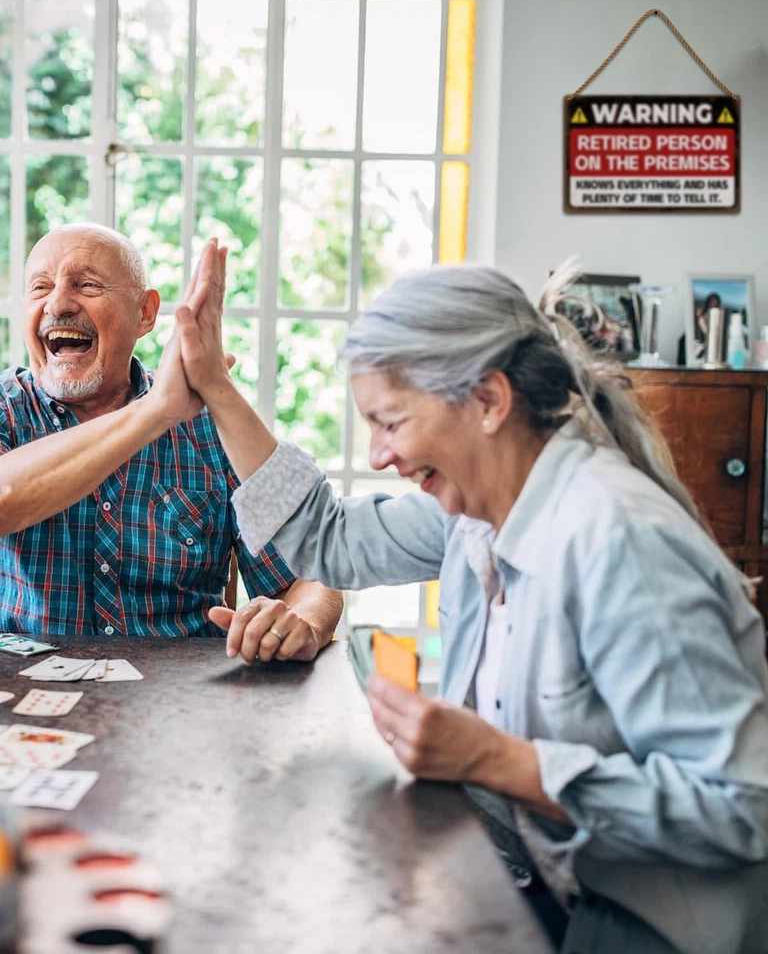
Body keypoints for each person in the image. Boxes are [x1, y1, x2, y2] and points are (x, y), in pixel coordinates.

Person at [176, 257, 768, 953]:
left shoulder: (620, 540)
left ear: (489, 401)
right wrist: (215, 386)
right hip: (548, 881)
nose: (379, 455)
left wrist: (496, 761)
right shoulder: (476, 514)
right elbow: (326, 538)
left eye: (391, 422)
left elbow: (744, 807)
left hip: (662, 922)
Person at [0, 223, 342, 658]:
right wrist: (155, 411)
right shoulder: (6, 409)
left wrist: (301, 622)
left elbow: (310, 573)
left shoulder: (211, 426)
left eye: (86, 285)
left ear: (145, 313)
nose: (59, 303)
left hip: (183, 705)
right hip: (23, 704)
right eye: (40, 287)